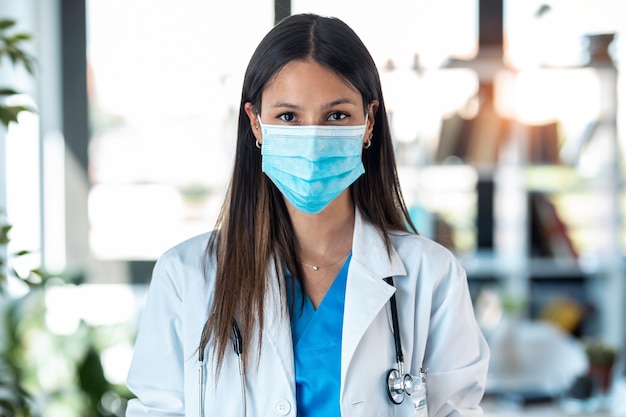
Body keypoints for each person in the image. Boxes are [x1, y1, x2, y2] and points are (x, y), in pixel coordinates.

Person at [126, 13, 489, 417]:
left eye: (336, 116)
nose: (313, 137)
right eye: (288, 117)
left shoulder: (431, 275)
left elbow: (456, 409)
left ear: (369, 122)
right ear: (256, 124)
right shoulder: (186, 276)